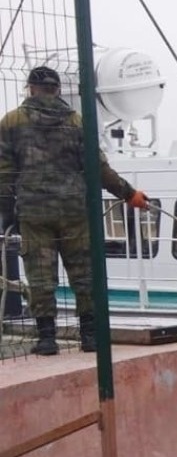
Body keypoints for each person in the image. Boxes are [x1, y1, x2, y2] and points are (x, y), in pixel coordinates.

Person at [0, 65, 148, 355]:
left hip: (34, 213)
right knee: (84, 274)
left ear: (30, 89)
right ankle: (90, 336)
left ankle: (46, 339)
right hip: (74, 211)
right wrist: (129, 194)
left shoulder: (11, 122)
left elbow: (3, 173)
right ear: (57, 90)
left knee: (40, 276)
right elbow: (99, 168)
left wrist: (7, 213)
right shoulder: (77, 122)